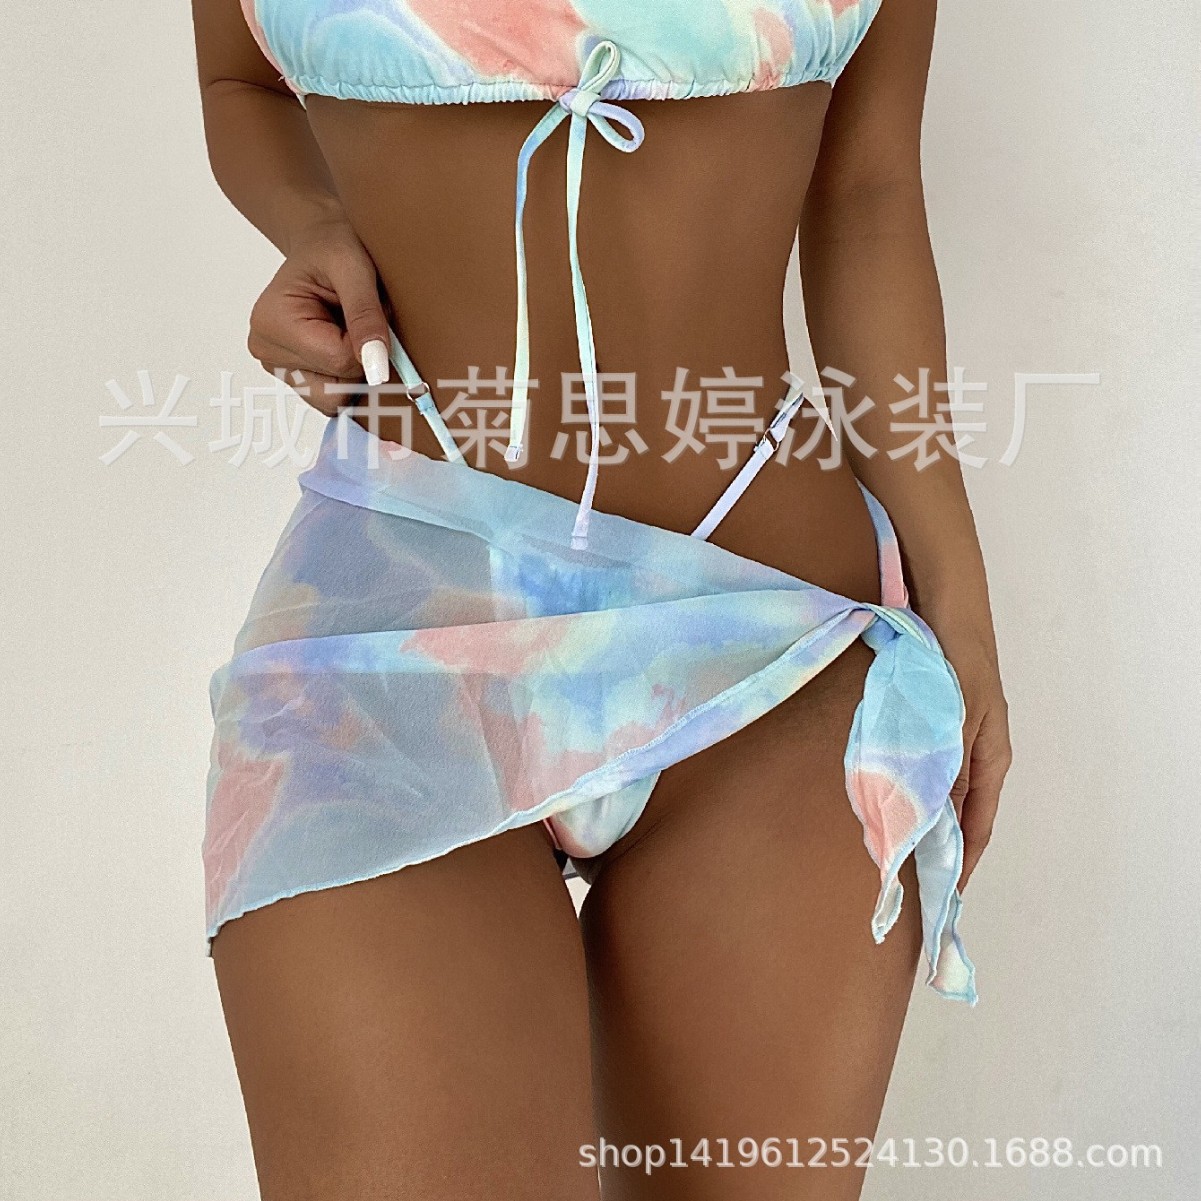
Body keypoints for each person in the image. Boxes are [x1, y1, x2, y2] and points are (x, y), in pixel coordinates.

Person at [191, 1, 1010, 1197]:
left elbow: (868, 194)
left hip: (783, 643)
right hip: (394, 630)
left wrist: (961, 606)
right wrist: (315, 223)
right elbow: (238, 84)